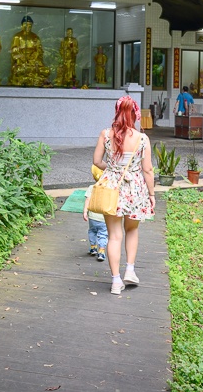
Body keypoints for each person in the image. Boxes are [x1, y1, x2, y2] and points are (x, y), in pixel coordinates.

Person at [92, 95, 155, 295]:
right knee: (132, 230)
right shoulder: (142, 138)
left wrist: (111, 169)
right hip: (135, 188)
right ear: (135, 114)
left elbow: (96, 161)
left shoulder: (105, 134)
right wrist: (151, 194)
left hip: (112, 186)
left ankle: (116, 281)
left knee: (114, 236)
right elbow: (148, 170)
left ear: (117, 112)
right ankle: (130, 270)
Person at [9, 15, 50, 86]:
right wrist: (23, 58)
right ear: (22, 25)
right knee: (20, 70)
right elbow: (14, 51)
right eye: (26, 24)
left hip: (34, 62)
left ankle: (34, 78)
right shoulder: (17, 37)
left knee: (46, 71)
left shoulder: (35, 37)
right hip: (22, 63)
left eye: (30, 24)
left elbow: (39, 50)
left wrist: (34, 57)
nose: (28, 26)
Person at [83, 166, 107, 261]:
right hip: (104, 217)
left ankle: (93, 247)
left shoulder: (92, 188)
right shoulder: (108, 189)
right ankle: (101, 251)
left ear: (94, 177)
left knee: (92, 231)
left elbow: (87, 199)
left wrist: (85, 211)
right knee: (103, 234)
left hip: (92, 216)